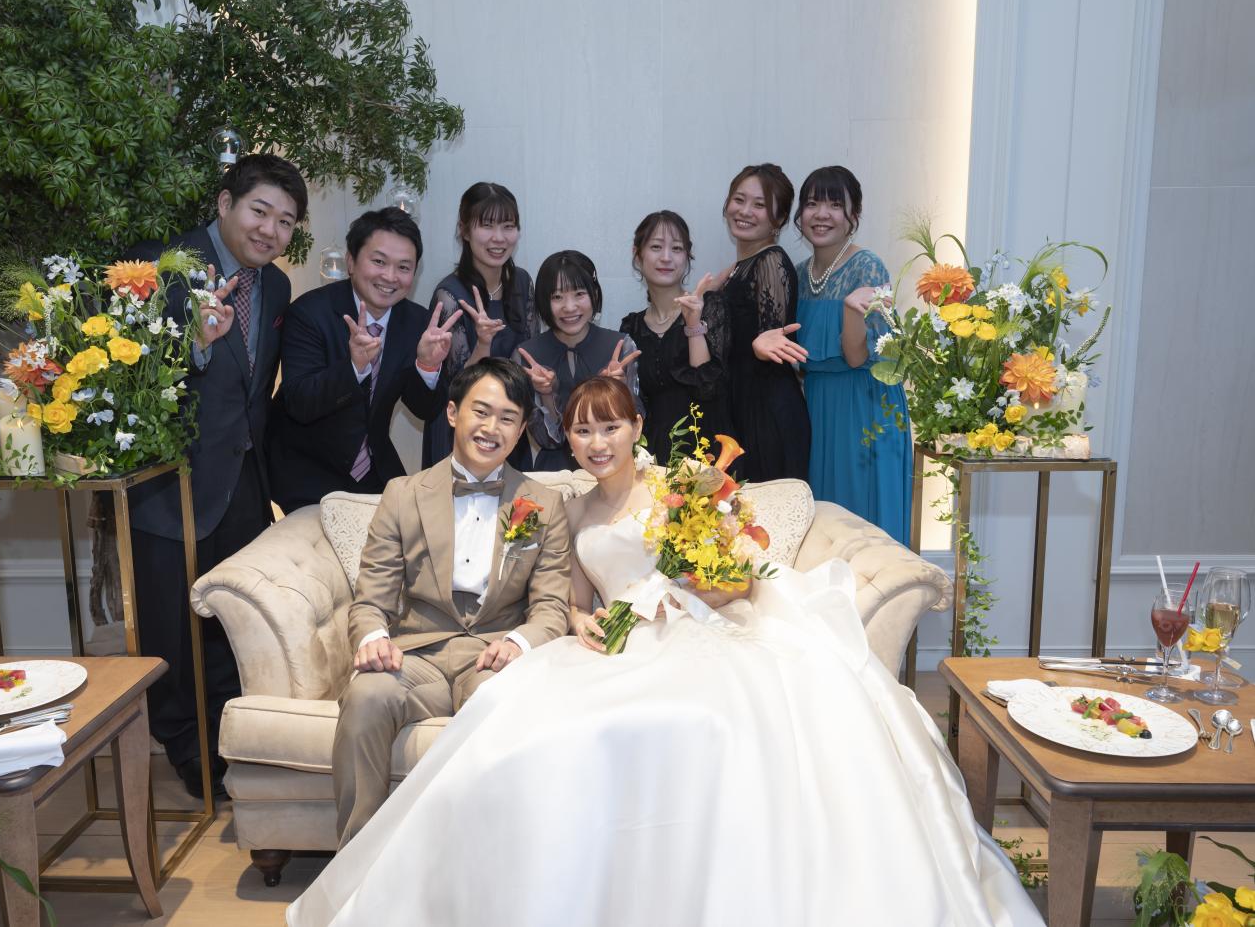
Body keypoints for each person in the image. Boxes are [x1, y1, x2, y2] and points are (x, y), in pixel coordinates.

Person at [288, 377, 1042, 925]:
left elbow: (738, 576)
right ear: (564, 439)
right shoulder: (566, 509)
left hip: (703, 628)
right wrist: (580, 623)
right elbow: (569, 600)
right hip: (620, 639)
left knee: (709, 722)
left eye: (610, 427)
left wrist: (687, 586)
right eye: (582, 431)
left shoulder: (687, 483)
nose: (596, 442)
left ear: (636, 426)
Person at [331, 357, 572, 846]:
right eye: (481, 411)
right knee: (366, 696)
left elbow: (552, 606)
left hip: (491, 655)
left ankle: (482, 860)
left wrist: (520, 643)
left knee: (501, 703)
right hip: (416, 655)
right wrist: (374, 636)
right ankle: (358, 860)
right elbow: (372, 595)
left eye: (507, 418)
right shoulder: (402, 494)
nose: (491, 428)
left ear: (522, 429)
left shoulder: (544, 504)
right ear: (452, 413)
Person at [125, 153, 307, 798]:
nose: (270, 230)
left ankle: (230, 743)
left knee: (232, 623)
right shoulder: (159, 269)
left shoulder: (277, 287)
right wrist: (196, 347)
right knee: (171, 627)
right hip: (170, 483)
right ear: (225, 203)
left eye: (285, 222)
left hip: (243, 484)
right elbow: (126, 376)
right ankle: (186, 748)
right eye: (260, 211)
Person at [268, 207, 462, 512]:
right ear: (351, 262)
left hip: (373, 465)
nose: (390, 277)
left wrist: (427, 366)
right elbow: (300, 403)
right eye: (379, 261)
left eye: (403, 267)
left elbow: (424, 409)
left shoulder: (416, 322)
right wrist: (353, 368)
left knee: (412, 524)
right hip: (306, 468)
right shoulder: (309, 313)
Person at [794, 165, 911, 543]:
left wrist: (849, 309)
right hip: (819, 406)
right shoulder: (799, 273)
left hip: (865, 406)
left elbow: (858, 356)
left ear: (853, 215)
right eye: (812, 204)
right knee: (825, 526)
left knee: (861, 521)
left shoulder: (867, 266)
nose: (821, 214)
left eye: (834, 205)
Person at [705, 163, 812, 482]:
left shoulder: (770, 262)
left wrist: (759, 345)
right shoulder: (740, 267)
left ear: (779, 217)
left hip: (766, 414)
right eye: (739, 199)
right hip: (743, 405)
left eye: (760, 204)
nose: (745, 211)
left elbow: (772, 339)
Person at [422, 182, 539, 468]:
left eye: (508, 226)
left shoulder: (522, 282)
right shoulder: (450, 295)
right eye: (486, 226)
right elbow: (460, 387)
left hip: (508, 425)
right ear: (464, 230)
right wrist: (483, 343)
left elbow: (529, 356)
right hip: (462, 430)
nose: (498, 238)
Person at [619, 210, 729, 463]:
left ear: (687, 257)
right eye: (656, 247)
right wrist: (618, 385)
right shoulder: (631, 327)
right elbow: (635, 405)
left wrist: (693, 325)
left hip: (706, 448)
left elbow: (707, 389)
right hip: (652, 454)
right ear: (637, 254)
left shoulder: (711, 307)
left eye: (677, 248)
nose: (666, 257)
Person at [515, 249, 642, 470]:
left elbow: (635, 427)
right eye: (557, 297)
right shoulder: (527, 355)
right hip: (553, 475)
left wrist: (619, 388)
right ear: (544, 301)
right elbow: (549, 440)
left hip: (610, 466)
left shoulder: (620, 346)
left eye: (579, 294)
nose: (570, 307)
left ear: (594, 294)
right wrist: (546, 394)